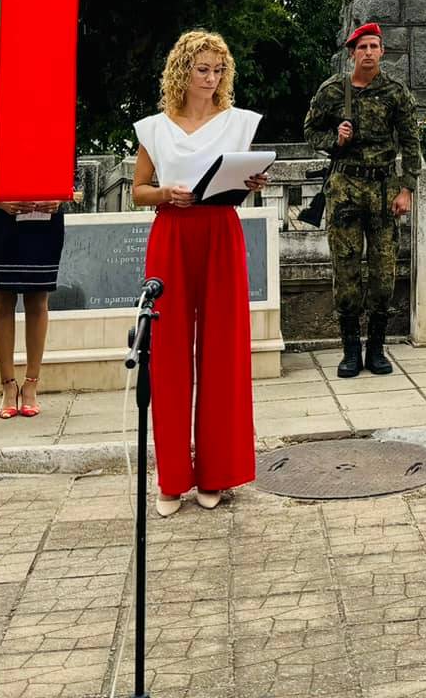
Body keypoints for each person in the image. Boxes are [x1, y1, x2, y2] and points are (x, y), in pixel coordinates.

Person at [130, 31, 268, 516]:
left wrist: (251, 181)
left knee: (222, 351)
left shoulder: (238, 123)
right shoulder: (154, 127)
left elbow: (240, 181)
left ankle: (216, 472)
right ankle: (171, 478)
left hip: (220, 234)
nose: (211, 79)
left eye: (218, 70)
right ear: (182, 72)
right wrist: (167, 193)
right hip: (172, 233)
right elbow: (138, 191)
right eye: (202, 69)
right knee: (167, 355)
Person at [302, 22, 419, 380]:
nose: (368, 52)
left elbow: (411, 141)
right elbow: (310, 131)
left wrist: (407, 188)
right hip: (345, 190)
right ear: (351, 53)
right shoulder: (332, 91)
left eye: (374, 46)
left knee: (384, 273)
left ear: (382, 52)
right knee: (347, 271)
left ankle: (377, 349)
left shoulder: (396, 93)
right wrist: (334, 139)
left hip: (383, 190)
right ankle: (351, 350)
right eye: (362, 47)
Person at [0, 195, 67, 419]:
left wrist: (60, 198)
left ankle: (31, 386)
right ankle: (8, 386)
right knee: (3, 301)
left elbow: (70, 178)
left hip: (45, 221)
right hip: (0, 219)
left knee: (38, 299)